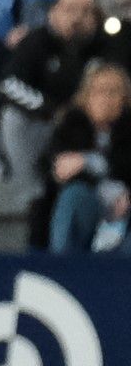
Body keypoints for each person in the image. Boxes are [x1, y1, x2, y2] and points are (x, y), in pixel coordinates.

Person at [0, 0, 98, 202]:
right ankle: (33, 196)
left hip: (96, 127)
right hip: (49, 124)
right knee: (13, 118)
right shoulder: (36, 42)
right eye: (70, 9)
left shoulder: (107, 44)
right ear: (53, 13)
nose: (78, 18)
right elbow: (8, 85)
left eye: (86, 11)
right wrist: (52, 109)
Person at [42, 59, 131, 252]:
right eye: (99, 91)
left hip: (125, 215)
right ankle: (61, 265)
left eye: (114, 92)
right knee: (74, 195)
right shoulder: (70, 126)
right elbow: (57, 170)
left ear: (125, 99)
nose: (106, 99)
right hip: (88, 207)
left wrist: (87, 161)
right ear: (86, 96)